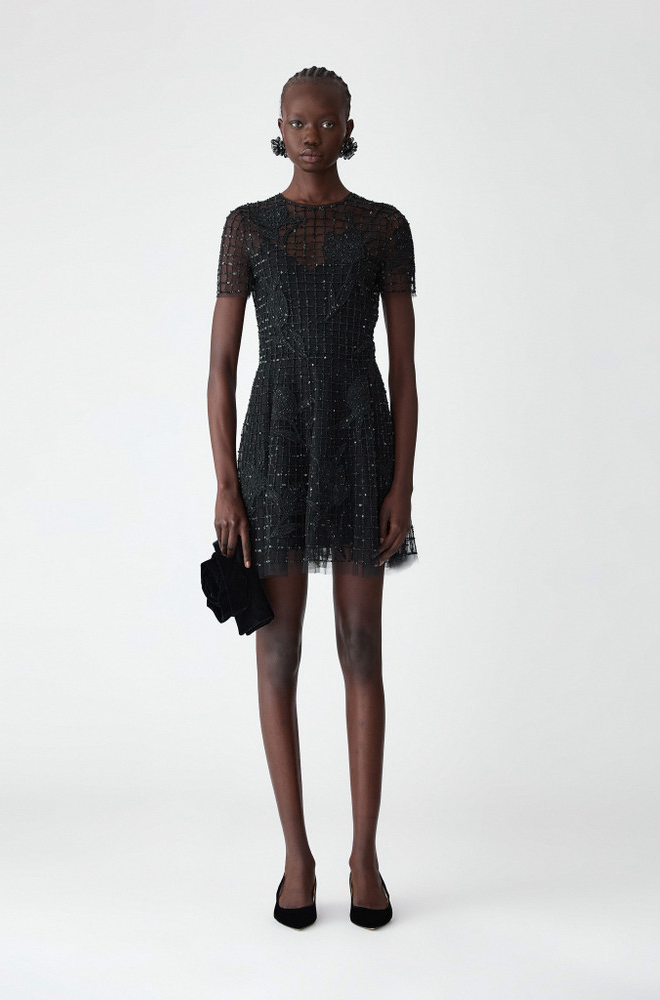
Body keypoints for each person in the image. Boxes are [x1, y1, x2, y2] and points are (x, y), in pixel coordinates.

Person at [207, 66, 418, 929]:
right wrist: (226, 482)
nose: (310, 134)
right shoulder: (247, 228)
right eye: (297, 121)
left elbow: (405, 368)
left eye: (326, 121)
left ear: (349, 127)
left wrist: (403, 481)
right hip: (274, 447)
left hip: (362, 444)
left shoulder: (384, 227)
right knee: (278, 652)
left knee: (361, 647)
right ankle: (297, 856)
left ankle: (365, 856)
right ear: (279, 126)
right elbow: (222, 366)